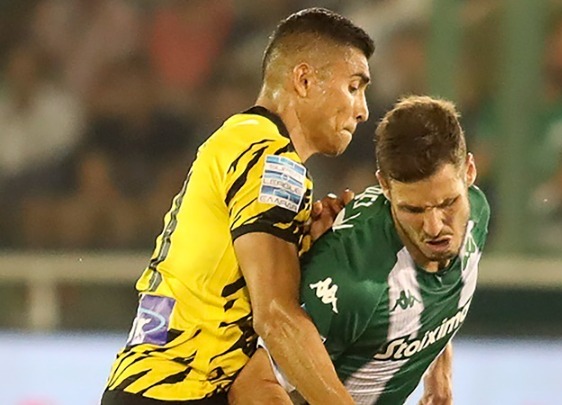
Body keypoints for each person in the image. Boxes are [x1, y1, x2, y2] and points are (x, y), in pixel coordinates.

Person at [101, 8, 373, 405]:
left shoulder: (243, 139)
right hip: (178, 392)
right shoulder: (271, 160)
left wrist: (308, 248)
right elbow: (276, 317)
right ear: (303, 80)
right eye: (353, 87)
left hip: (154, 384)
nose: (362, 110)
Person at [230, 96, 491, 405]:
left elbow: (436, 295)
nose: (434, 227)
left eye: (448, 203)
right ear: (385, 187)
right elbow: (252, 385)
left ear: (469, 172)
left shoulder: (476, 212)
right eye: (412, 209)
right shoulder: (354, 283)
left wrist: (440, 377)